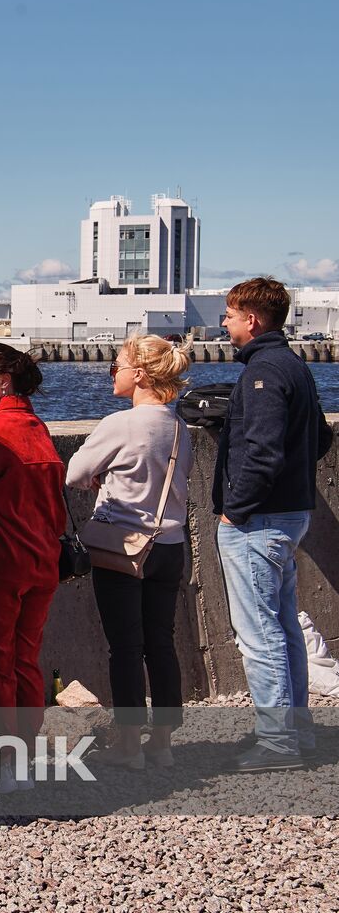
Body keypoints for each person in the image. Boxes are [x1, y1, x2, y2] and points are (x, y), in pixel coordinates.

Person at [214, 277, 328, 772]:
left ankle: (279, 744)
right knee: (281, 626)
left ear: (252, 319)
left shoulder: (263, 372)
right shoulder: (295, 366)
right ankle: (294, 734)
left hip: (258, 522)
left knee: (259, 634)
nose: (224, 322)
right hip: (290, 514)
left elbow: (262, 452)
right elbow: (320, 437)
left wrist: (234, 508)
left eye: (229, 315)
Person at [66, 334, 193, 770]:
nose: (112, 373)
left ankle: (128, 744)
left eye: (116, 365)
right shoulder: (177, 425)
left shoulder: (120, 423)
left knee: (125, 646)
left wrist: (97, 480)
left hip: (125, 547)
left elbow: (75, 472)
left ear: (139, 374)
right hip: (170, 545)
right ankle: (162, 744)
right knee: (161, 642)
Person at [0, 341, 65, 790]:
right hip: (43, 563)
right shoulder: (36, 428)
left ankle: (3, 761)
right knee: (25, 659)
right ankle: (22, 752)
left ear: (5, 380)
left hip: (1, 563)